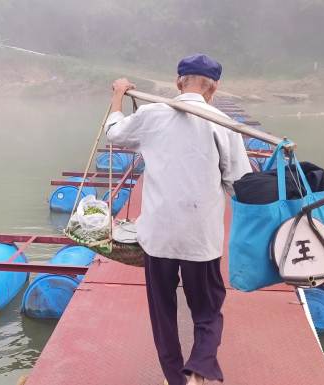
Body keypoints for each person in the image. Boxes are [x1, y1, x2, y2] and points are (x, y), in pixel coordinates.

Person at [105, 54, 251, 385]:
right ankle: (201, 364)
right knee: (208, 310)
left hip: (158, 236)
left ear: (177, 83)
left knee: (163, 314)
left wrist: (118, 93)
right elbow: (238, 184)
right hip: (200, 238)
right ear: (213, 88)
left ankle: (176, 379)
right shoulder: (223, 124)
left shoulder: (153, 113)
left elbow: (114, 134)